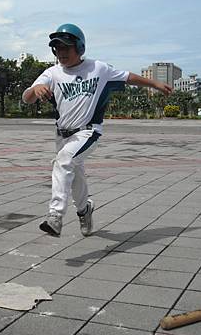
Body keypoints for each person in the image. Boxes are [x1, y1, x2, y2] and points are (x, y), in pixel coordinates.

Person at [22, 23, 172, 237]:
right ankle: (84, 210)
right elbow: (27, 98)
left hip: (87, 132)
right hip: (62, 135)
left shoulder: (98, 69)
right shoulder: (52, 73)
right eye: (57, 49)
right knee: (75, 176)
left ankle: (55, 216)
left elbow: (128, 77)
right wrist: (35, 90)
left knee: (64, 161)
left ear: (79, 47)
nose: (61, 53)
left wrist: (154, 84)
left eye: (66, 48)